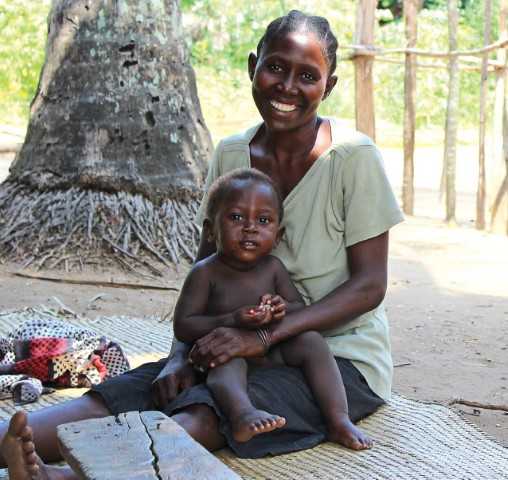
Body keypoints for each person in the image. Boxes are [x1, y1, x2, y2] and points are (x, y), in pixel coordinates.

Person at [0, 9, 403, 479]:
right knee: (135, 391)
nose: (287, 86)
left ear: (328, 86)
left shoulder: (352, 158)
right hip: (232, 340)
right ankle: (12, 440)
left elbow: (369, 287)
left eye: (307, 76)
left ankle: (63, 477)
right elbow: (204, 272)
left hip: (332, 358)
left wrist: (261, 338)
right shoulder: (232, 154)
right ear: (252, 66)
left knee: (211, 409)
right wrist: (179, 356)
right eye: (275, 67)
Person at [174, 167, 372, 449]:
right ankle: (243, 414)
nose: (250, 227)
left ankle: (338, 419)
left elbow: (297, 307)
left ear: (278, 236)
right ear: (210, 230)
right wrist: (231, 319)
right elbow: (184, 325)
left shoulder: (273, 268)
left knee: (311, 341)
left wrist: (281, 308)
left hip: (271, 348)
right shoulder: (205, 273)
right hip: (228, 354)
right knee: (225, 363)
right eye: (236, 217)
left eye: (263, 220)